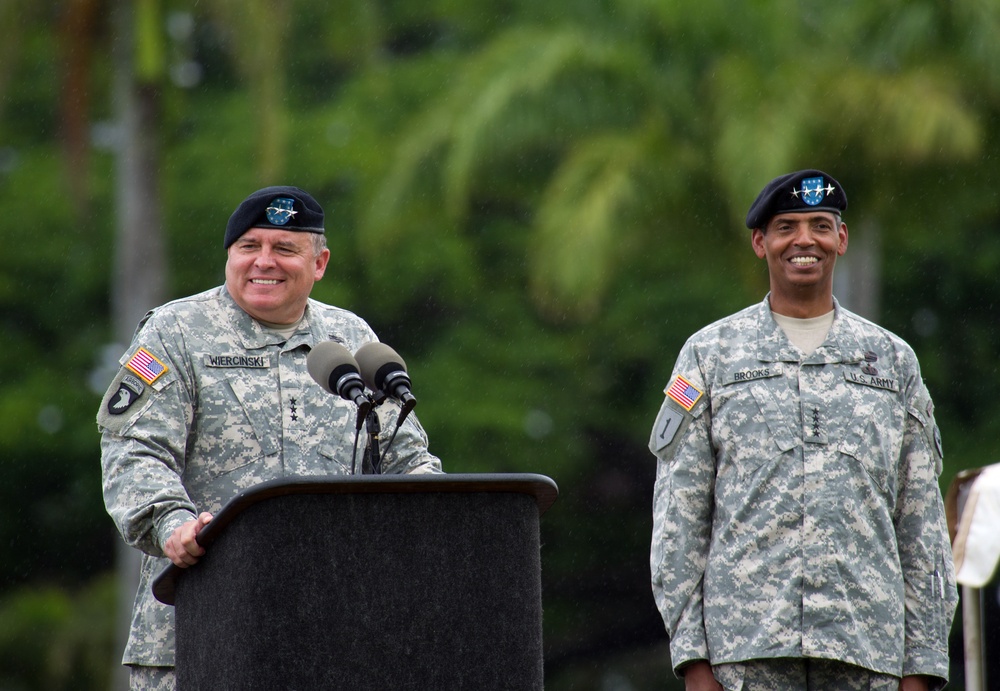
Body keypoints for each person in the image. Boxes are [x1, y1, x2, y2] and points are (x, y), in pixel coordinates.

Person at [98, 185, 442, 690]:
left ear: (319, 262)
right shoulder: (176, 332)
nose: (265, 262)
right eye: (249, 247)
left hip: (337, 637)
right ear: (229, 256)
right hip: (203, 628)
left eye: (284, 248)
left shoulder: (350, 339)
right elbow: (134, 449)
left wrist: (444, 520)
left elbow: (407, 460)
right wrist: (172, 521)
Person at [649, 170, 958, 691]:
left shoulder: (892, 361)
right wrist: (693, 660)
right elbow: (680, 515)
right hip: (745, 654)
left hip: (868, 651)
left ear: (840, 238)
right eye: (786, 226)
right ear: (760, 242)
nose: (804, 240)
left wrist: (922, 666)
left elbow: (922, 522)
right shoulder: (709, 355)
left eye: (820, 225)